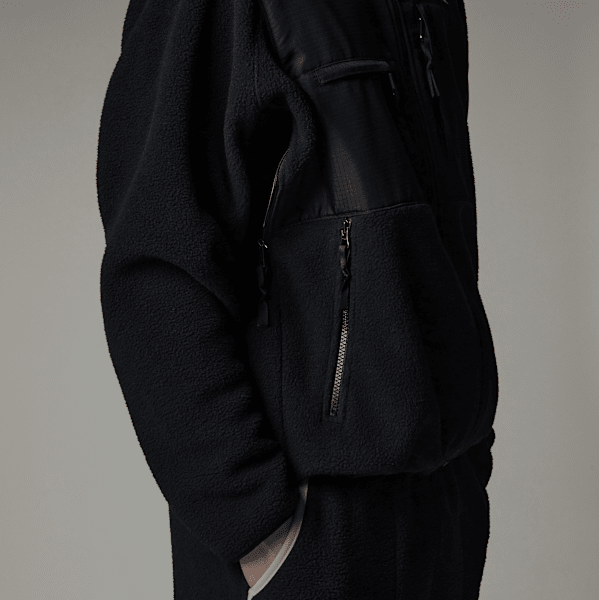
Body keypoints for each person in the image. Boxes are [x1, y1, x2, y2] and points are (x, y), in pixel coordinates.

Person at [95, 0, 499, 598]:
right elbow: (157, 263)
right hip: (313, 534)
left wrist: (468, 453)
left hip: (442, 516)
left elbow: (441, 246)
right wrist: (257, 526)